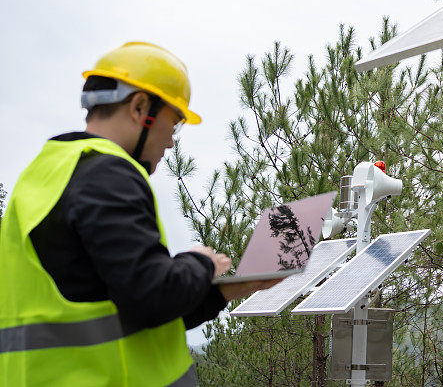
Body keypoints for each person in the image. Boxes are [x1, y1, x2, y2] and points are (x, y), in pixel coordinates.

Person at [0, 42, 278, 386]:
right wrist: (201, 262)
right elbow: (153, 297)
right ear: (140, 107)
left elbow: (126, 314)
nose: (172, 142)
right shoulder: (108, 175)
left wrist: (225, 293)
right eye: (174, 124)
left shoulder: (45, 173)